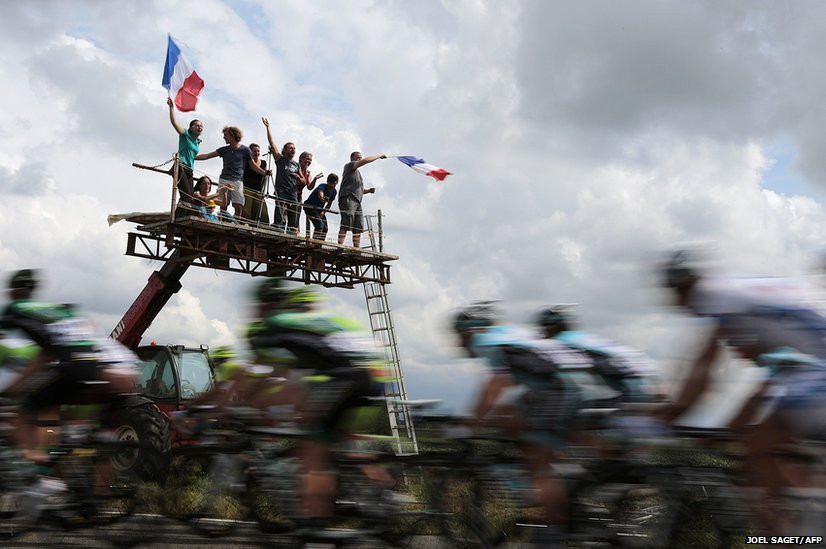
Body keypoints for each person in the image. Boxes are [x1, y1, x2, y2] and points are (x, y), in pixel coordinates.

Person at [659, 250, 826, 530]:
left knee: (756, 449)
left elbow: (703, 369)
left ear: (681, 289)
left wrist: (668, 418)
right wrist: (733, 427)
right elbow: (765, 388)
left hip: (816, 370)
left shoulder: (712, 294)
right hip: (811, 368)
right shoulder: (741, 299)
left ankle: (788, 541)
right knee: (776, 453)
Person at [453, 302, 608, 548]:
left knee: (538, 466)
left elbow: (496, 385)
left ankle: (553, 529)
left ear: (469, 332)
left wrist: (469, 424)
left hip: (560, 390)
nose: (458, 345)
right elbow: (513, 394)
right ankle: (589, 485)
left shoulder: (485, 341)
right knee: (514, 419)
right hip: (576, 385)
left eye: (459, 338)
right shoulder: (509, 335)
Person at [247, 277, 391, 526]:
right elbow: (301, 383)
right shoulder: (308, 323)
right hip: (374, 372)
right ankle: (384, 490)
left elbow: (283, 381)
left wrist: (251, 407)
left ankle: (316, 525)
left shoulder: (274, 326)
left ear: (264, 306)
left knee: (313, 445)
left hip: (349, 375)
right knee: (334, 441)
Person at [0, 270, 137, 464]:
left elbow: (44, 358)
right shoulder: (62, 310)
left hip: (74, 365)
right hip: (107, 367)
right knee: (87, 424)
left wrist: (13, 389)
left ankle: (34, 468)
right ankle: (93, 461)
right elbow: (50, 353)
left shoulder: (15, 309)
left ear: (13, 291)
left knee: (26, 410)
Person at [535, 305, 659, 401]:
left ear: (549, 328)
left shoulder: (561, 344)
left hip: (624, 391)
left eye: (543, 330)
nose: (542, 335)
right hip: (645, 386)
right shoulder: (584, 338)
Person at [194, 126, 270, 221]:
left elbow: (253, 166)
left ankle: (236, 223)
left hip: (237, 180)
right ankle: (222, 222)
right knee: (223, 204)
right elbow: (207, 156)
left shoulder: (245, 150)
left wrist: (264, 172)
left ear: (232, 135)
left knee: (238, 205)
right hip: (224, 179)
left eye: (226, 135)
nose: (224, 137)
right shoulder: (224, 150)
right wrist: (192, 157)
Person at [337, 151, 386, 248]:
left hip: (357, 201)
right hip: (348, 198)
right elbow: (366, 160)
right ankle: (340, 245)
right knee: (346, 222)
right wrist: (379, 155)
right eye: (358, 157)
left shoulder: (357, 173)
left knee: (358, 225)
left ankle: (356, 248)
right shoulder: (349, 166)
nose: (360, 159)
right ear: (352, 158)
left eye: (360, 157)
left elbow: (358, 190)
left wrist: (368, 191)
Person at [262, 117, 299, 233]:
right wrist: (268, 127)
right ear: (285, 150)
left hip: (292, 191)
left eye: (294, 148)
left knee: (294, 209)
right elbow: (272, 143)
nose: (293, 150)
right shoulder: (280, 159)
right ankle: (278, 226)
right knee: (280, 208)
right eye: (290, 148)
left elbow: (303, 180)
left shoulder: (296, 164)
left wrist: (299, 177)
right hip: (282, 189)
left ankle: (292, 229)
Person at [166, 97, 204, 214]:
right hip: (181, 166)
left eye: (201, 126)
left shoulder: (197, 142)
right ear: (191, 128)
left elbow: (194, 155)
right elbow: (174, 122)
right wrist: (171, 108)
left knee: (188, 196)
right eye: (197, 125)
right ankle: (178, 217)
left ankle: (177, 216)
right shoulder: (185, 134)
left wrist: (213, 155)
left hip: (189, 170)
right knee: (187, 196)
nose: (200, 127)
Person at [303, 173, 338, 242]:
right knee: (319, 225)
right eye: (331, 184)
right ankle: (314, 242)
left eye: (334, 184)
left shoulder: (334, 192)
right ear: (327, 182)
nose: (332, 186)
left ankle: (319, 244)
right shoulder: (322, 186)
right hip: (309, 207)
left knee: (325, 228)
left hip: (319, 209)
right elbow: (320, 194)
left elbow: (328, 205)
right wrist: (322, 198)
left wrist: (323, 212)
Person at [294, 152, 323, 234]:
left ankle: (295, 235)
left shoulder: (307, 173)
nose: (309, 162)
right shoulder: (294, 167)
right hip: (287, 195)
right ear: (301, 159)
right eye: (307, 159)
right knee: (284, 215)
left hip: (298, 198)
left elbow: (309, 187)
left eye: (310, 160)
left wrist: (315, 179)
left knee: (296, 218)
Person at [242, 143, 270, 225]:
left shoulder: (263, 163)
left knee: (262, 213)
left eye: (258, 151)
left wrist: (262, 189)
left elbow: (264, 178)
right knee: (247, 212)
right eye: (254, 151)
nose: (256, 153)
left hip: (258, 191)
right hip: (247, 189)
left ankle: (263, 228)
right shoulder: (246, 162)